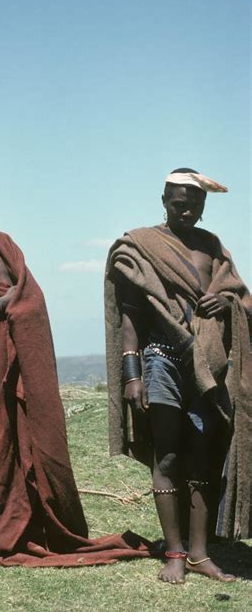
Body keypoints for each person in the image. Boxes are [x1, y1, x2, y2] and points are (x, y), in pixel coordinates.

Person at [0, 175, 151, 567]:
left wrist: (12, 305)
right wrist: (1, 305)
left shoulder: (7, 247)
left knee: (29, 434)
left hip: (22, 351)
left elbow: (30, 299)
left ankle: (33, 522)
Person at [105, 168, 252, 584]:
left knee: (205, 455)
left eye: (194, 203)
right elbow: (131, 318)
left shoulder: (213, 248)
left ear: (203, 205)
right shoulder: (142, 246)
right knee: (167, 454)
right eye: (178, 202)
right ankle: (174, 551)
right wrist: (132, 376)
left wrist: (225, 306)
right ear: (164, 200)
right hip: (162, 360)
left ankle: (200, 554)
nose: (186, 209)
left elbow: (239, 298)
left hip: (209, 363)